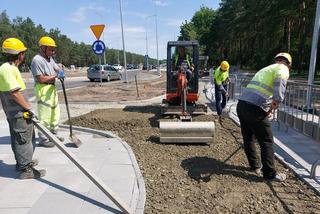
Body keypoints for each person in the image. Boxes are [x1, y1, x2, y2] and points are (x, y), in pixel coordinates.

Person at [236, 53, 292, 182]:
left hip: (242, 104)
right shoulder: (282, 68)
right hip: (255, 107)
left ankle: (255, 165)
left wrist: (267, 107)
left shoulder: (266, 68)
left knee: (248, 137)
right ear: (288, 64)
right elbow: (280, 83)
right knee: (266, 141)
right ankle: (269, 174)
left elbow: (261, 89)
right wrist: (276, 101)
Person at [0, 38, 46, 179]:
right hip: (18, 113)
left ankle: (24, 162)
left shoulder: (9, 68)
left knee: (23, 139)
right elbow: (14, 92)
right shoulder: (7, 69)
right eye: (23, 53)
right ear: (20, 54)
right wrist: (28, 107)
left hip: (18, 113)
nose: (24, 55)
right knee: (22, 140)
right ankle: (25, 169)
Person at [31, 36, 65, 147]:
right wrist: (56, 76)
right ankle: (44, 139)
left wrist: (60, 70)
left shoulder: (50, 58)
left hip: (51, 88)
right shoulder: (37, 60)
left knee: (55, 113)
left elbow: (56, 68)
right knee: (45, 115)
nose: (53, 52)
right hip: (43, 88)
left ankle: (53, 135)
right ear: (43, 48)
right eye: (51, 49)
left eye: (54, 49)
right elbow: (40, 78)